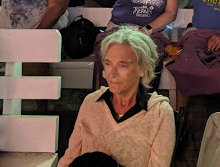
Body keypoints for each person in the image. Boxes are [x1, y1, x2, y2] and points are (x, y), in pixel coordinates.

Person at [59, 27, 175, 167]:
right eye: (108, 64)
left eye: (123, 65)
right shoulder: (91, 102)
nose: (112, 73)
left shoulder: (160, 112)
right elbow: (69, 159)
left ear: (143, 69)